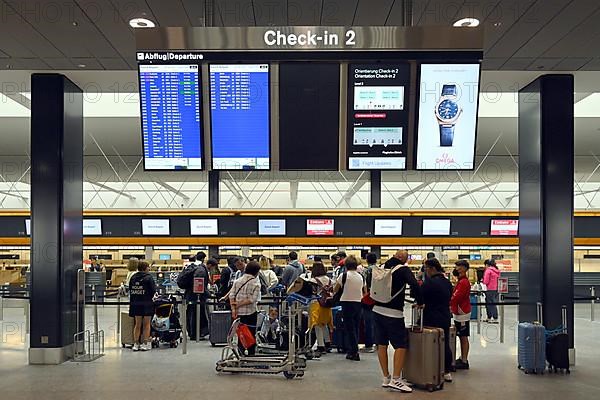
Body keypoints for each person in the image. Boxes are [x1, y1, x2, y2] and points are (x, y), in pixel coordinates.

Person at [373, 250, 423, 393]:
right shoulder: (403, 269)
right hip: (393, 313)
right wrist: (420, 301)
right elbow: (414, 284)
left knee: (381, 344)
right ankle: (396, 378)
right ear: (404, 259)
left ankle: (386, 377)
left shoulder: (382, 267)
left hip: (377, 310)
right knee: (401, 345)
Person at [421, 257, 454, 382]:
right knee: (444, 344)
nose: (426, 271)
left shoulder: (429, 283)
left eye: (426, 269)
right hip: (444, 316)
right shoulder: (447, 282)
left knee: (429, 344)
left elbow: (419, 295)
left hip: (430, 317)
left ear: (432, 268)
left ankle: (430, 369)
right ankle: (446, 371)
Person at [334, 255, 365, 361]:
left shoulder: (343, 275)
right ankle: (354, 349)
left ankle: (353, 351)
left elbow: (335, 289)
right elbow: (364, 291)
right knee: (355, 327)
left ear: (346, 265)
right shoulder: (361, 276)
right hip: (358, 303)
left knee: (349, 328)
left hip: (346, 303)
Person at [229, 260, 262, 356]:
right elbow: (252, 300)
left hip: (239, 313)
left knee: (240, 334)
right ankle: (251, 355)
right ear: (256, 272)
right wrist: (239, 304)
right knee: (251, 334)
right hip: (251, 313)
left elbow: (231, 295)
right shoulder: (256, 283)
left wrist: (234, 308)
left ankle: (240, 353)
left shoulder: (237, 281)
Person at [179, 254, 211, 340]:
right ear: (204, 259)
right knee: (197, 315)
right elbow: (199, 284)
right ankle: (196, 334)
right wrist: (207, 293)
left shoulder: (190, 267)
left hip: (189, 295)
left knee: (191, 314)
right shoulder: (201, 269)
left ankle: (192, 333)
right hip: (197, 296)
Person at [128, 261, 157, 351]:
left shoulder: (133, 277)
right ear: (145, 268)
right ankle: (145, 343)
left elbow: (130, 289)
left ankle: (136, 344)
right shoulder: (148, 278)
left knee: (137, 324)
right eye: (148, 267)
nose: (149, 269)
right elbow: (153, 290)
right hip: (147, 303)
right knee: (146, 324)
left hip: (136, 303)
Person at [451, 259, 472, 370]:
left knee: (463, 336)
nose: (456, 268)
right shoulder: (461, 281)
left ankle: (464, 361)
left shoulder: (463, 282)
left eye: (458, 266)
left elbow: (457, 297)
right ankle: (463, 358)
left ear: (464, 268)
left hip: (462, 312)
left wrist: (449, 302)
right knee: (461, 336)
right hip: (460, 312)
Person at [310, 262, 334, 355]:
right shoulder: (330, 280)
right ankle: (328, 343)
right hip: (327, 304)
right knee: (325, 323)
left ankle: (321, 345)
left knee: (317, 324)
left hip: (317, 304)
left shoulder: (313, 280)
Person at [360, 252, 377, 353]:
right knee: (377, 322)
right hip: (378, 299)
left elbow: (363, 285)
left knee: (368, 322)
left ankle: (369, 344)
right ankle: (378, 343)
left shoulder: (366, 271)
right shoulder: (380, 270)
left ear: (367, 260)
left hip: (368, 299)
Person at [483, 259, 501, 323]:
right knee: (494, 303)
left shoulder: (488, 271)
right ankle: (495, 318)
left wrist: (483, 281)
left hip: (489, 289)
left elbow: (486, 281)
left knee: (489, 304)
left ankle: (489, 317)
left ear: (487, 265)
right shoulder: (497, 271)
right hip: (496, 289)